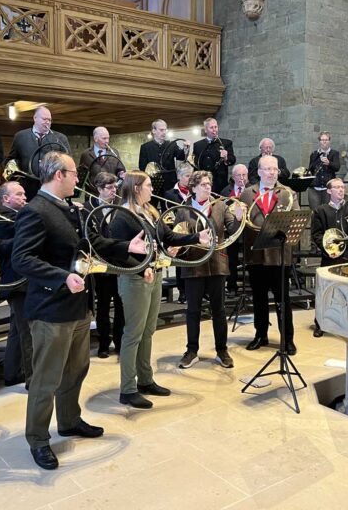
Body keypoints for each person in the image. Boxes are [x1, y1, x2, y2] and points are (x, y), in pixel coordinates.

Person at [11, 152, 148, 470]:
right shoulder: (35, 211)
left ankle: (70, 420)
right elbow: (22, 259)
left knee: (76, 370)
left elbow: (93, 242)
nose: (78, 179)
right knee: (47, 378)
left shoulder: (73, 208)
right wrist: (62, 277)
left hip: (77, 306)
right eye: (74, 174)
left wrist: (126, 247)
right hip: (50, 308)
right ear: (58, 175)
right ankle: (38, 438)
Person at [108, 171, 210, 409]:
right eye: (148, 185)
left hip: (153, 275)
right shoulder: (122, 216)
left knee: (148, 331)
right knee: (133, 333)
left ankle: (145, 379)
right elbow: (117, 252)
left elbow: (168, 237)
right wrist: (139, 268)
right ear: (136, 188)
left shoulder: (150, 211)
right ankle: (128, 388)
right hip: (135, 278)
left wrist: (196, 236)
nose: (152, 189)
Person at [175, 170, 245, 369]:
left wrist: (239, 218)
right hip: (193, 265)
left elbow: (232, 230)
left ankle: (222, 350)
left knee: (219, 310)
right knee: (193, 310)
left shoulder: (220, 205)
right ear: (194, 187)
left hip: (216, 264)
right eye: (204, 184)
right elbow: (178, 237)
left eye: (209, 184)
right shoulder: (184, 209)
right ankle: (191, 350)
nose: (208, 187)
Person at [240, 155, 298, 355]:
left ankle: (287, 339)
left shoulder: (288, 193)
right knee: (259, 298)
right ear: (259, 171)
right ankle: (260, 335)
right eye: (268, 169)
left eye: (275, 169)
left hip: (279, 255)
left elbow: (296, 218)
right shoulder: (248, 194)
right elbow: (240, 224)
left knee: (284, 299)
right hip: (256, 254)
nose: (272, 172)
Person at [311, 178, 348, 337]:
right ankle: (320, 323)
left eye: (342, 187)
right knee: (326, 291)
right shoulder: (320, 211)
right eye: (336, 187)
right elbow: (316, 235)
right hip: (331, 256)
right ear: (329, 191)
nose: (340, 190)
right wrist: (328, 249)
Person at [0, 181, 31, 387]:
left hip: (21, 280)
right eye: (19, 194)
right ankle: (31, 378)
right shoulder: (0, 218)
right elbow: (1, 249)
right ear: (6, 199)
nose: (25, 197)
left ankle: (12, 372)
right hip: (16, 280)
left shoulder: (20, 217)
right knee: (27, 331)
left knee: (17, 328)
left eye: (24, 194)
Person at [83, 172, 125, 358]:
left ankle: (119, 341)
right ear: (99, 189)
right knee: (103, 306)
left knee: (121, 304)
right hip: (100, 265)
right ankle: (103, 343)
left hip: (120, 264)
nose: (113, 191)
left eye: (115, 187)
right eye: (109, 188)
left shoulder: (121, 207)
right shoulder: (88, 207)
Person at [5, 106, 70, 199]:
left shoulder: (60, 138)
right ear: (35, 118)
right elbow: (11, 159)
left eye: (49, 120)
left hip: (52, 187)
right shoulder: (20, 136)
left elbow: (68, 162)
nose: (47, 122)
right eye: (44, 119)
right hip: (27, 187)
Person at [163, 162, 194, 303]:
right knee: (180, 262)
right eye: (187, 176)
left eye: (191, 176)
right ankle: (182, 291)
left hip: (193, 229)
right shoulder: (170, 193)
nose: (190, 179)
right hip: (177, 230)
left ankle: (196, 290)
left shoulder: (194, 191)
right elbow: (167, 214)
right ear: (179, 176)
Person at [138, 119, 187, 197]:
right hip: (153, 184)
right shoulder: (145, 147)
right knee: (153, 207)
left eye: (165, 130)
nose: (164, 132)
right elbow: (142, 167)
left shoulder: (172, 144)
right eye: (161, 130)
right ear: (154, 131)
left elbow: (181, 157)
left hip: (169, 183)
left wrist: (185, 148)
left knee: (170, 207)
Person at [221, 164, 249, 293]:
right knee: (231, 258)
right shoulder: (226, 191)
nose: (242, 178)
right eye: (239, 175)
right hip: (232, 228)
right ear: (233, 177)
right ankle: (232, 285)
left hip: (249, 228)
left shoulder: (252, 189)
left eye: (244, 175)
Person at [192, 117, 236, 194]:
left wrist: (226, 157)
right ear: (205, 130)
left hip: (220, 183)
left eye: (215, 127)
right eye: (211, 127)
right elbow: (196, 165)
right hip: (204, 183)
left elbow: (232, 160)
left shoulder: (226, 143)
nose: (214, 129)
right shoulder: (198, 145)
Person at [78, 127, 126, 195]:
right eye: (104, 138)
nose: (107, 141)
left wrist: (121, 174)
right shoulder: (85, 154)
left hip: (112, 194)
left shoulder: (114, 152)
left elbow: (120, 169)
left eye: (108, 138)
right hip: (93, 193)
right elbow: (82, 174)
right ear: (96, 139)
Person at [307, 131, 341, 211]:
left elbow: (337, 167)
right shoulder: (314, 154)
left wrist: (329, 163)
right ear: (319, 141)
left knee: (328, 211)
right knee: (315, 211)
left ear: (329, 141)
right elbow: (310, 169)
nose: (324, 142)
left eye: (326, 140)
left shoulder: (334, 153)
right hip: (315, 187)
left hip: (328, 188)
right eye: (322, 140)